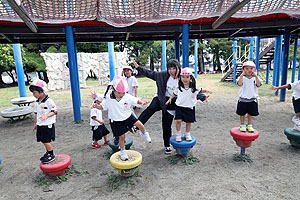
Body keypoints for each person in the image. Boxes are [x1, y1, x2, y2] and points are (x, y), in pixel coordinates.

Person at [132, 58, 208, 154]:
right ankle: (137, 126)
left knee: (166, 123)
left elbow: (194, 90)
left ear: (178, 68)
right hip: (162, 98)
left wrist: (202, 97)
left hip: (174, 102)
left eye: (174, 68)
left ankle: (167, 145)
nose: (172, 71)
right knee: (151, 108)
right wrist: (138, 68)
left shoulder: (184, 77)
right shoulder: (163, 75)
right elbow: (150, 73)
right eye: (169, 68)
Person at [92, 75, 151, 161]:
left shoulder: (126, 96)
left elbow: (135, 100)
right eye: (119, 93)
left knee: (140, 124)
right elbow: (102, 107)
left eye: (123, 93)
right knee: (121, 137)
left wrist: (142, 102)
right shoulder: (108, 98)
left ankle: (144, 133)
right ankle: (122, 150)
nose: (121, 95)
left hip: (127, 116)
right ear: (113, 89)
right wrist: (97, 106)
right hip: (116, 120)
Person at [166, 68, 212, 141]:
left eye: (187, 77)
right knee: (178, 121)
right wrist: (170, 99)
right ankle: (178, 133)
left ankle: (187, 133)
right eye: (183, 77)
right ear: (180, 77)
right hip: (179, 107)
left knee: (188, 122)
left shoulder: (194, 86)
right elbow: (174, 93)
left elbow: (200, 90)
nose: (185, 79)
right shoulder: (179, 86)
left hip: (189, 107)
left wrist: (206, 92)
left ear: (191, 77)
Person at [29, 79, 58, 164]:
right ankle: (48, 152)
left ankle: (51, 154)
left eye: (34, 92)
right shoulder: (37, 102)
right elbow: (36, 113)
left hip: (47, 125)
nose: (33, 94)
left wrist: (47, 115)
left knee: (46, 140)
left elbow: (55, 111)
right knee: (42, 140)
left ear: (41, 91)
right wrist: (35, 123)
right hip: (40, 124)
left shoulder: (49, 101)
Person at [236, 61, 261, 132]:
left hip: (252, 99)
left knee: (250, 113)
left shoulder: (255, 78)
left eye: (251, 68)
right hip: (243, 99)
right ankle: (242, 124)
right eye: (246, 68)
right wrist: (241, 75)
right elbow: (240, 84)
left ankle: (249, 124)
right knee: (242, 113)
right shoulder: (242, 77)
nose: (249, 70)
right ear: (243, 70)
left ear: (255, 70)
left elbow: (258, 85)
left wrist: (256, 76)